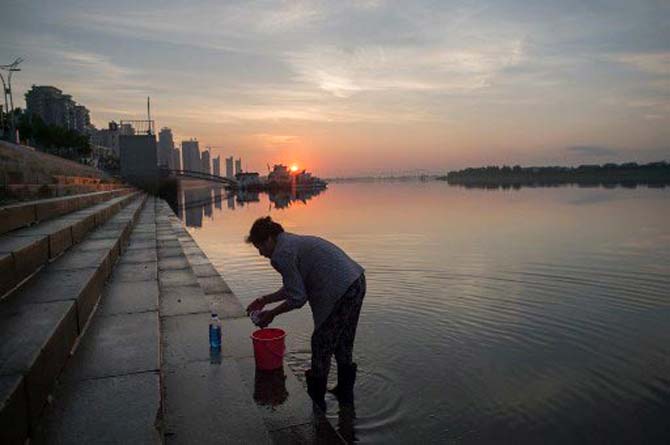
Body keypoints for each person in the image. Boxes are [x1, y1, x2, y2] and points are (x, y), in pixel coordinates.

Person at [245, 216, 366, 411]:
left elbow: (298, 298)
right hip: (356, 282)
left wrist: (272, 314)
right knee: (343, 341)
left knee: (321, 342)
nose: (260, 253)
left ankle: (317, 401)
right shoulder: (289, 242)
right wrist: (264, 300)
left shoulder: (281, 253)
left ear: (268, 240)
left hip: (340, 291)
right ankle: (345, 394)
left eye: (259, 247)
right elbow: (295, 288)